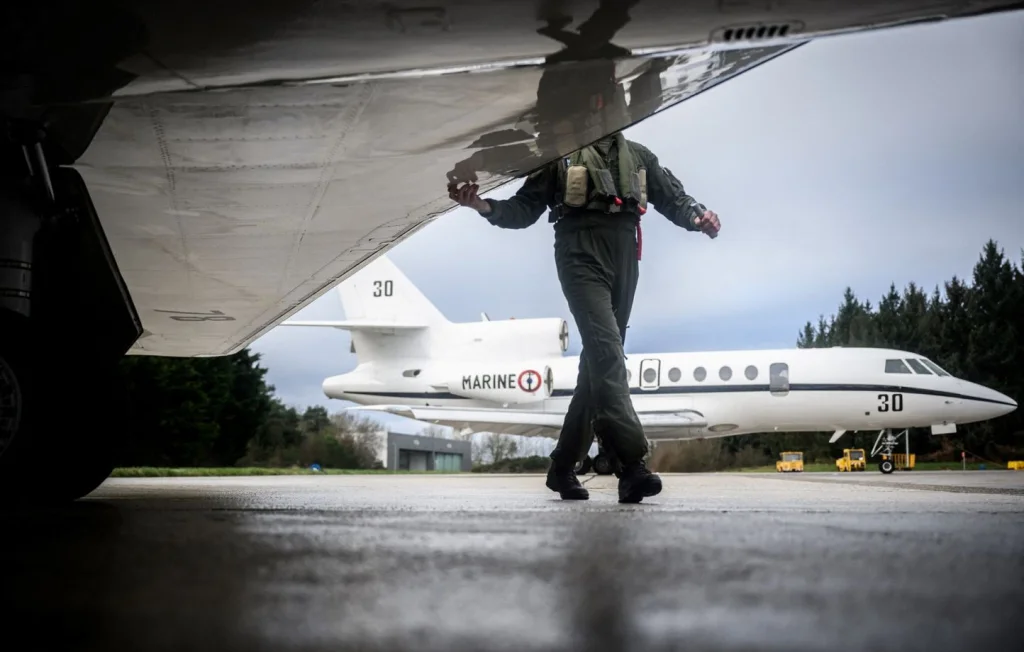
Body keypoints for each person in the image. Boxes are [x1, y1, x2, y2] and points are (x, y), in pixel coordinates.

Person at [448, 131, 720, 503]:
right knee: (608, 354)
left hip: (624, 254)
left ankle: (562, 469)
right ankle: (631, 465)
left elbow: (674, 198)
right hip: (579, 251)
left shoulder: (639, 156)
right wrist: (482, 206)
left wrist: (698, 217)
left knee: (596, 368)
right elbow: (523, 210)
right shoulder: (560, 156)